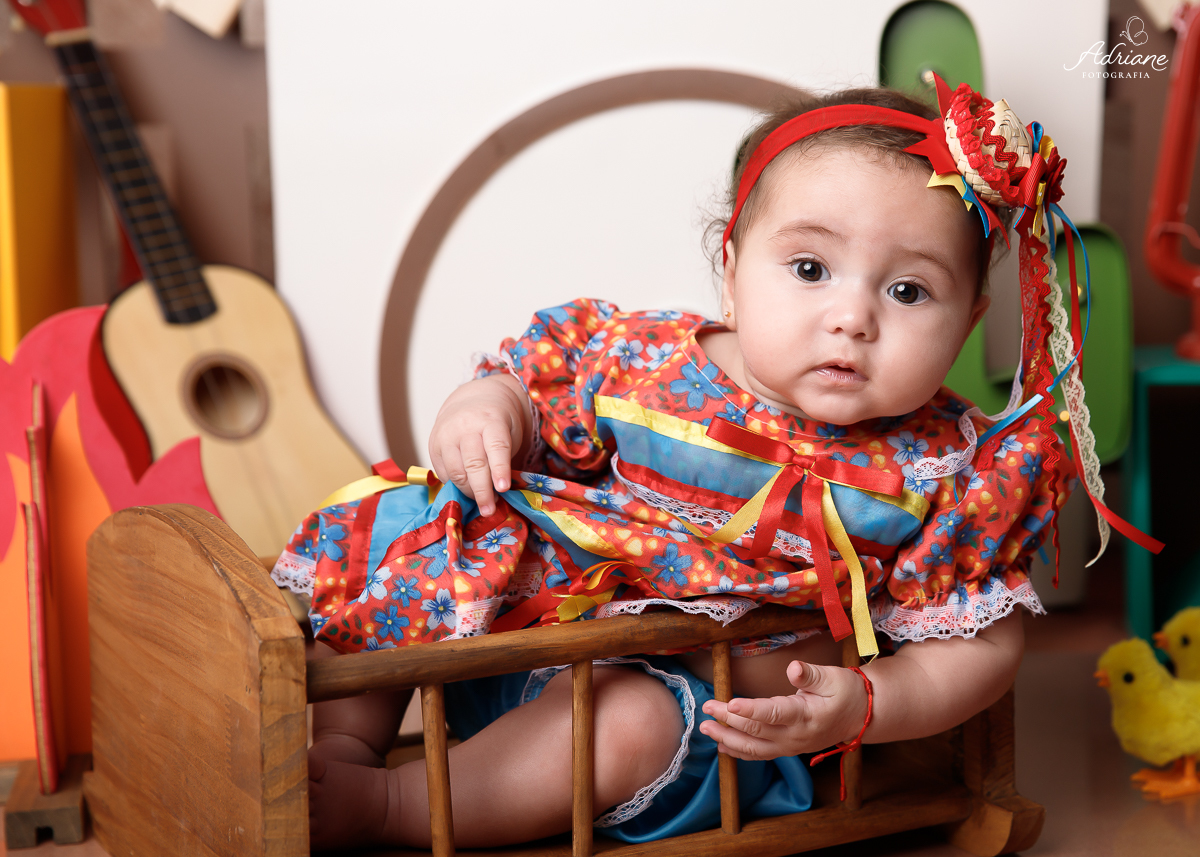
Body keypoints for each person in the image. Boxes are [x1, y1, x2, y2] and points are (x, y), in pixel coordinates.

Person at [273, 78, 1134, 851]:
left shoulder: (944, 471)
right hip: (500, 636)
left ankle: (392, 803)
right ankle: (342, 741)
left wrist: (873, 702)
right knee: (417, 519)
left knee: (625, 719)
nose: (852, 317)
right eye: (810, 268)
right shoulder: (647, 364)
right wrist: (487, 405)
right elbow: (536, 390)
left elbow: (983, 643)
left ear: (969, 319)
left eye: (908, 290)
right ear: (730, 269)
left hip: (697, 723)